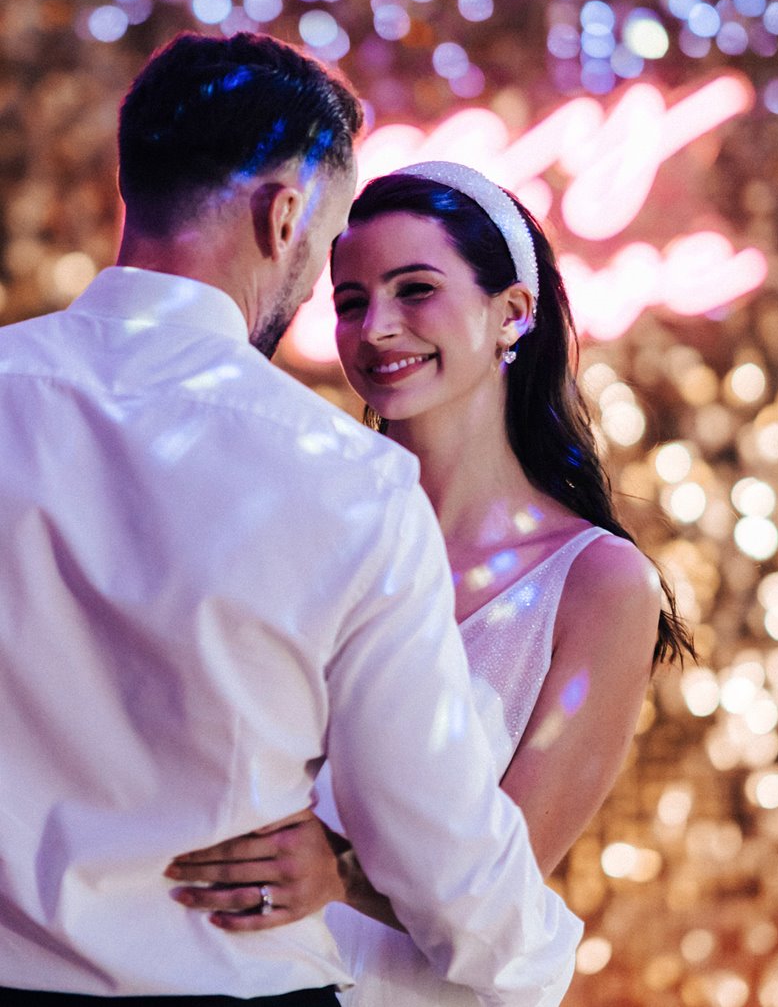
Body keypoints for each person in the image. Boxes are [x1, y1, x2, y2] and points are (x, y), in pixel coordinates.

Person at [0, 44, 583, 1007]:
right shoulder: (350, 485)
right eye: (328, 256)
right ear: (283, 218)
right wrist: (539, 967)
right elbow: (435, 842)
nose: (323, 294)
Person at [167, 161, 694, 1006]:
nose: (376, 327)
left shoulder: (599, 584)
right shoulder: (299, 528)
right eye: (348, 300)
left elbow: (509, 882)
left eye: (415, 290)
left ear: (511, 313)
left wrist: (338, 874)